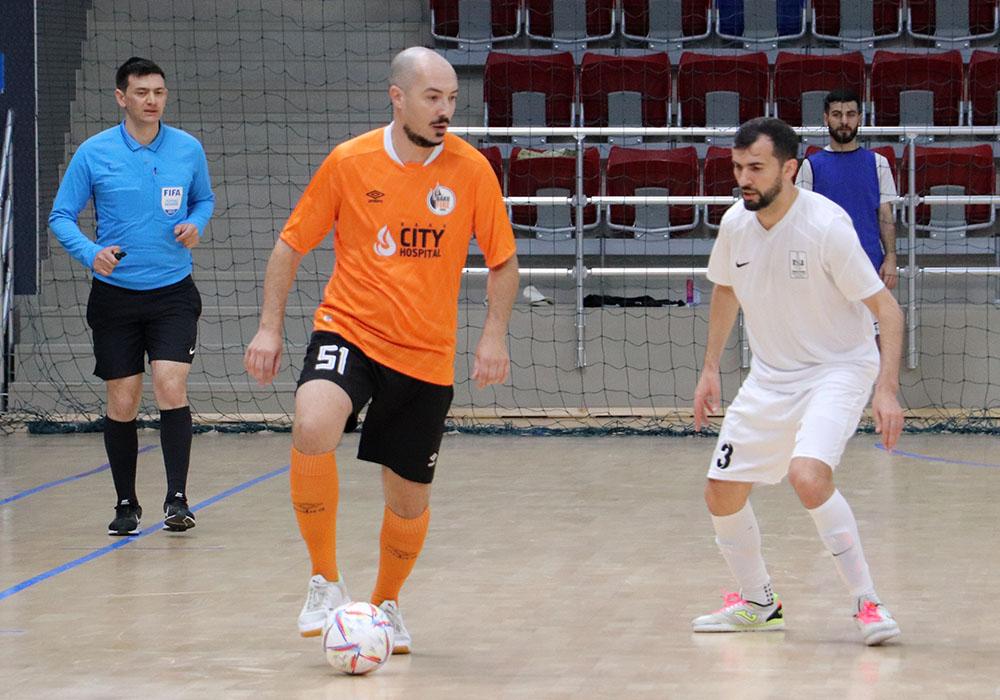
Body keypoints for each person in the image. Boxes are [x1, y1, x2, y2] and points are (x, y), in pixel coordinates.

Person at [243, 47, 518, 653]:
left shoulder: (472, 170)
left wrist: (493, 334)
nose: (445, 110)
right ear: (397, 97)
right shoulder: (350, 161)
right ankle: (324, 582)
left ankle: (386, 604)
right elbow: (290, 244)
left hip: (425, 353)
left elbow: (503, 262)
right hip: (350, 330)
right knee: (313, 422)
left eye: (452, 99)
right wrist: (269, 327)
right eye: (432, 98)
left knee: (409, 498)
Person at [691, 117, 905, 646]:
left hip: (839, 368)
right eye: (737, 167)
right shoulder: (735, 224)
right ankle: (759, 604)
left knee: (807, 475)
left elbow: (888, 310)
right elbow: (725, 290)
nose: (744, 179)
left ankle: (868, 602)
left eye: (756, 168)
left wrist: (886, 389)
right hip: (770, 377)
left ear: (789, 169)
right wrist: (710, 368)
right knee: (720, 493)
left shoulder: (826, 226)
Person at [49, 57, 214, 536]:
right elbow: (61, 216)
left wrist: (195, 223)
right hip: (116, 297)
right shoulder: (94, 152)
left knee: (170, 386)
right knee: (122, 400)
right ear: (122, 97)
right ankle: (126, 503)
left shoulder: (187, 149)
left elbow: (203, 199)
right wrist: (91, 253)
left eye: (158, 92)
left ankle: (177, 499)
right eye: (142, 92)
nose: (152, 100)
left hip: (173, 294)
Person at [796, 89, 898, 292]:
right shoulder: (810, 166)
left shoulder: (878, 163)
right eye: (837, 114)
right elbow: (801, 220)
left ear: (859, 118)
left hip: (869, 266)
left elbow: (885, 216)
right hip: (824, 268)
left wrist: (891, 257)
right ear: (826, 118)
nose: (844, 121)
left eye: (850, 114)